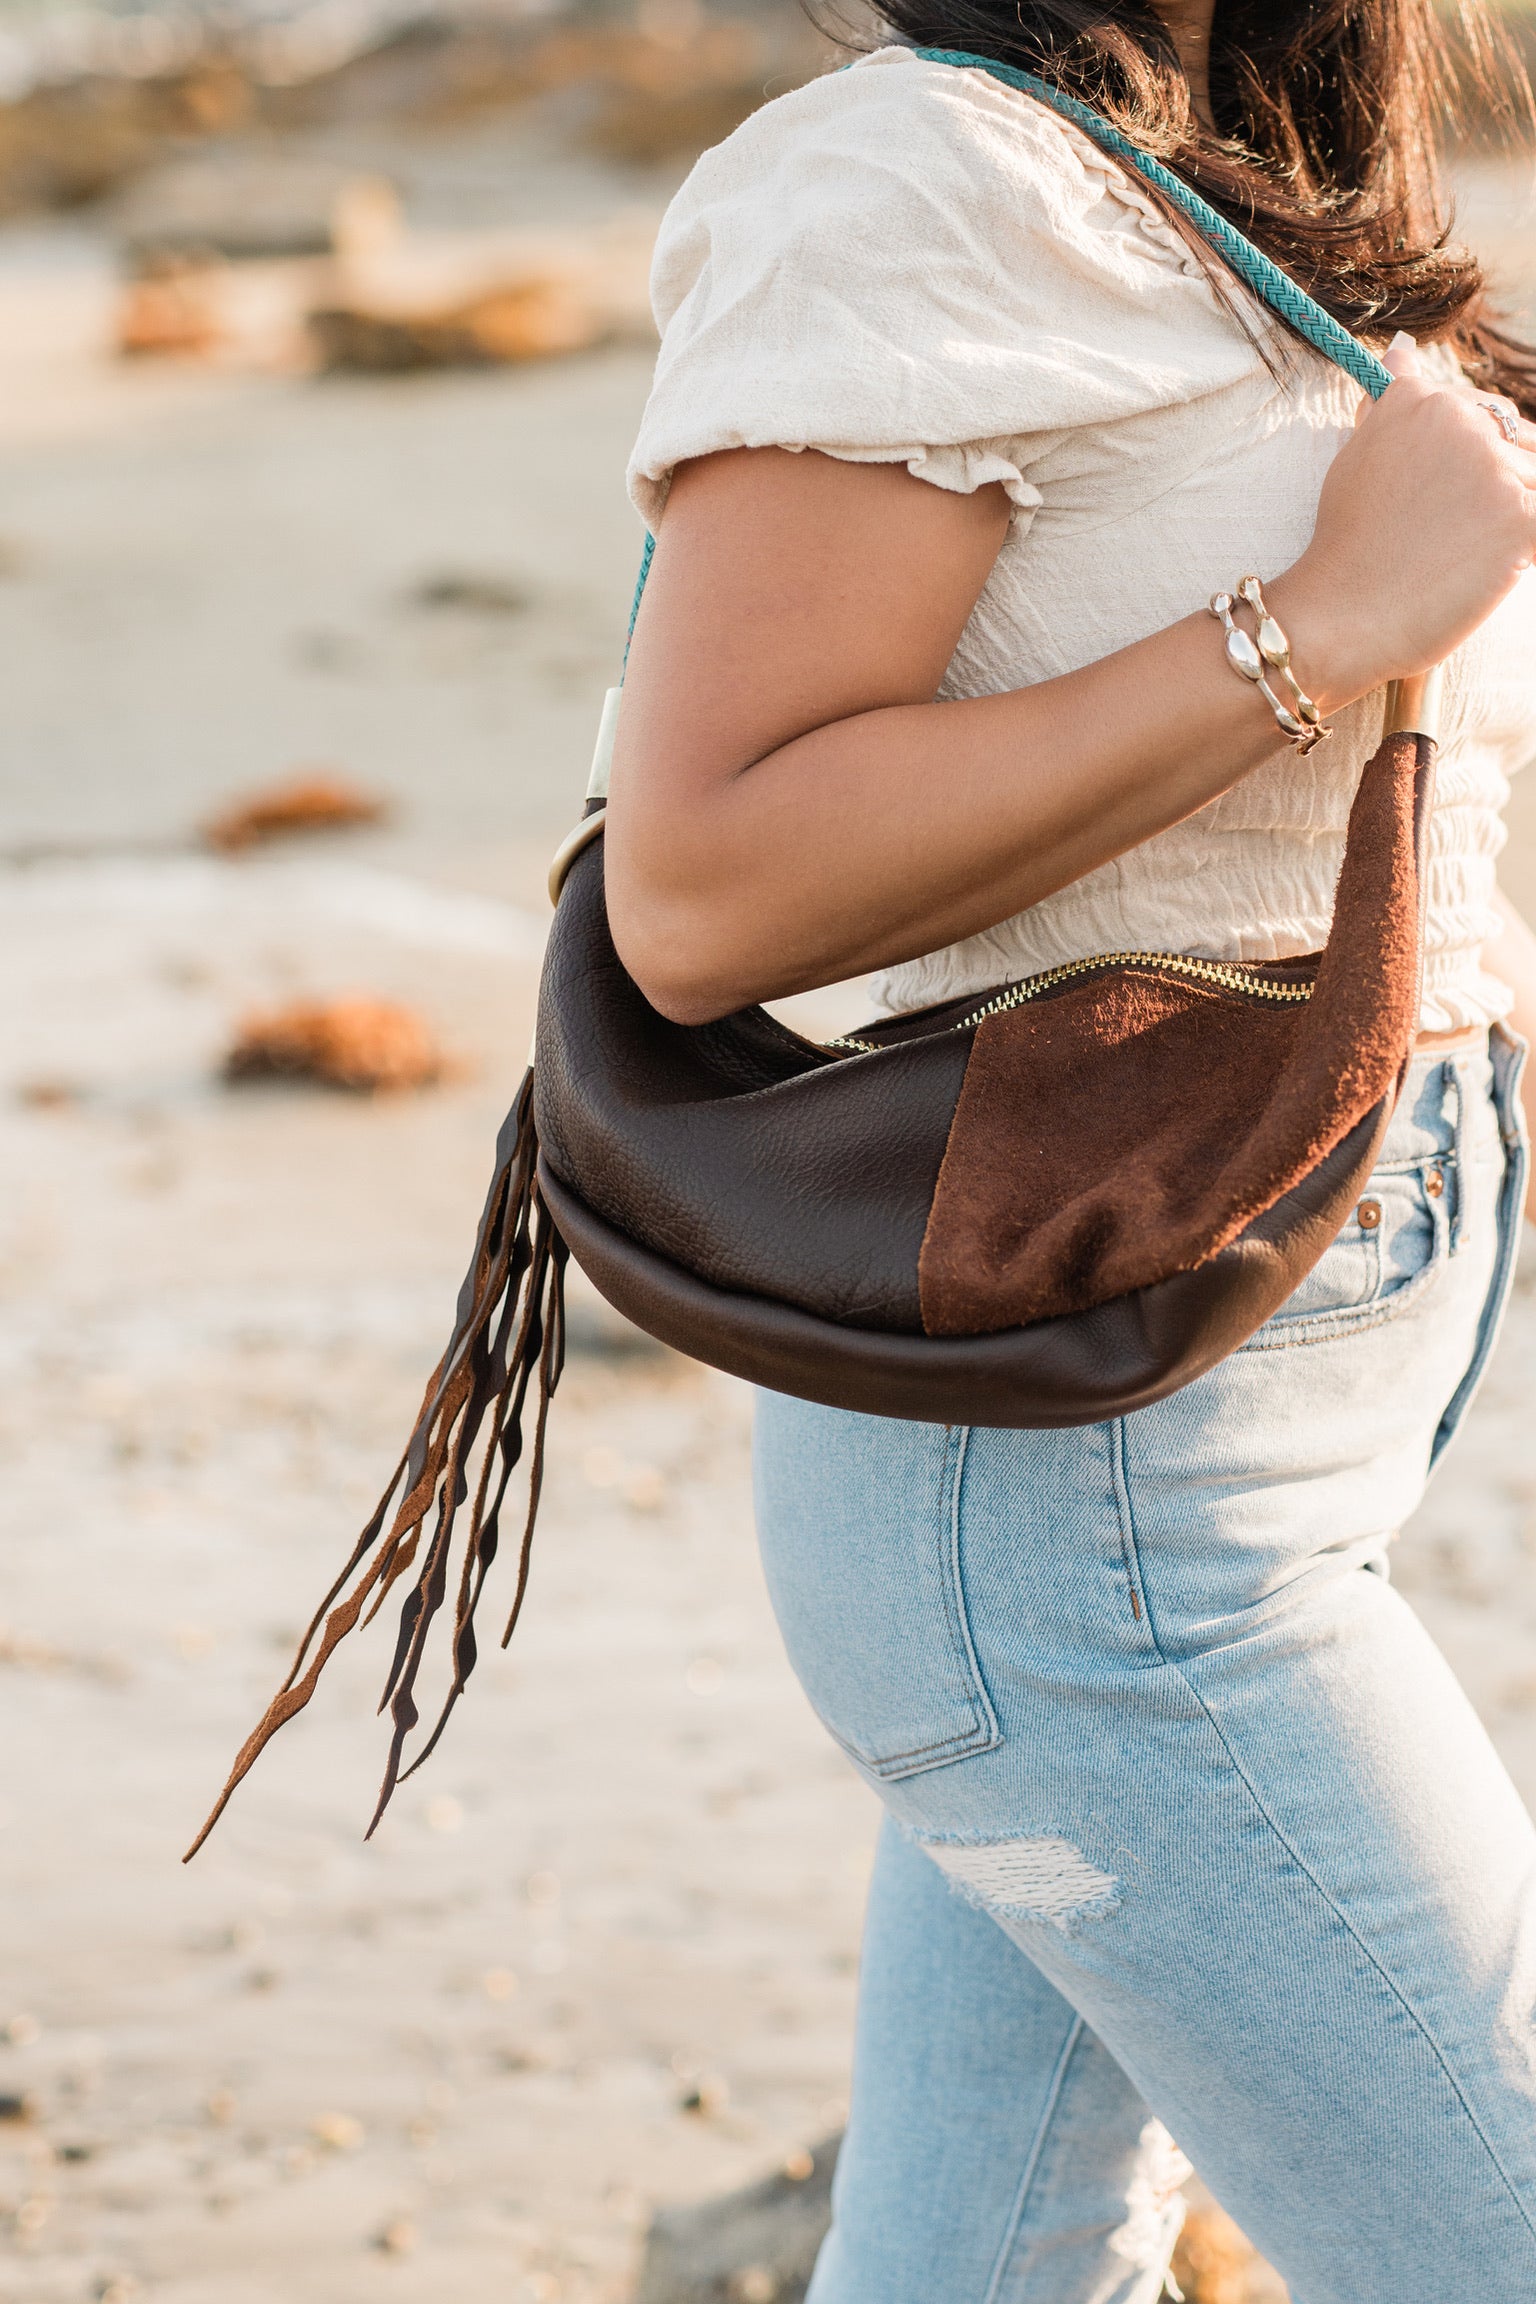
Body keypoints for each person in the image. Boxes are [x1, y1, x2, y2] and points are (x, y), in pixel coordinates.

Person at [603, 3, 1536, 2294]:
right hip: (1102, 1504)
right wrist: (1314, 625)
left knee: (981, 2268)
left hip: (1222, 1439)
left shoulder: (1235, 174)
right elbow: (703, 887)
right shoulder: (917, 172)